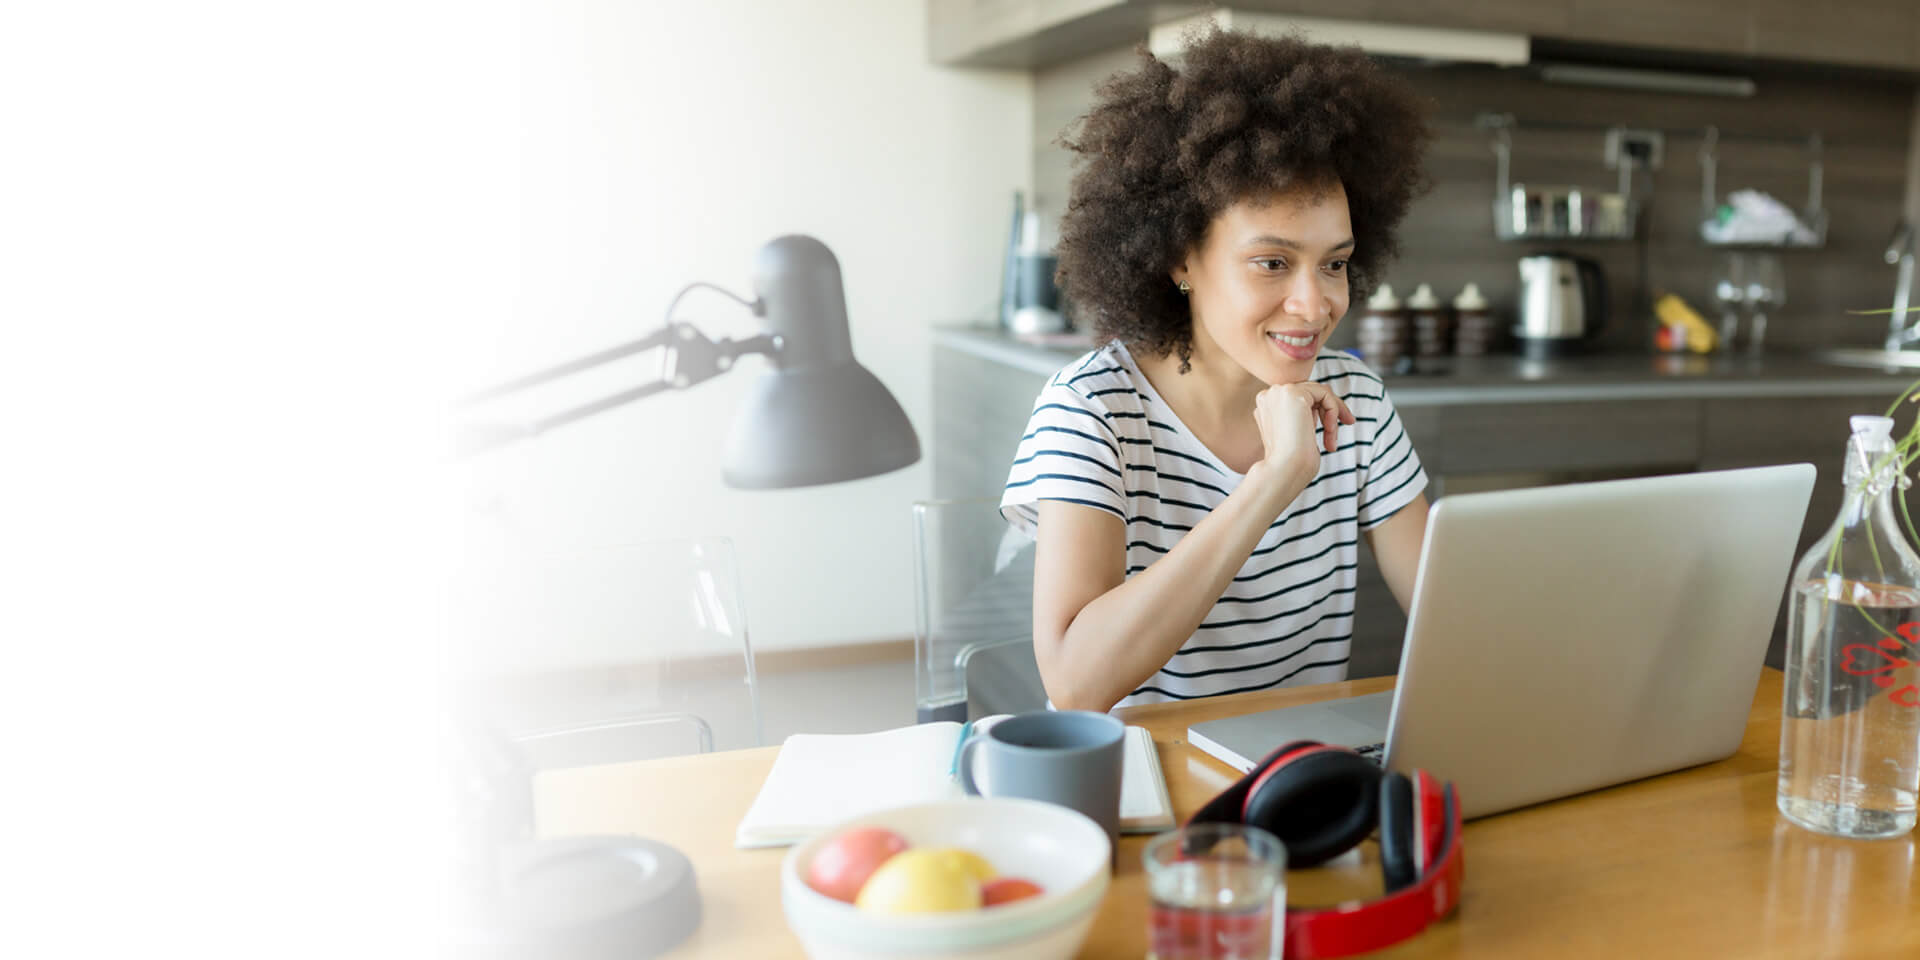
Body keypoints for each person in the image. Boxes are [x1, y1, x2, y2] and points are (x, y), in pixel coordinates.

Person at [1000, 28, 1435, 712]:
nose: (1315, 302)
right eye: (1272, 263)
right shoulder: (1092, 409)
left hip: (1299, 779)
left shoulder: (1358, 402)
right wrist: (1272, 482)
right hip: (1149, 780)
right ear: (1179, 258)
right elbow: (1075, 682)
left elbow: (1447, 611)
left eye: (1335, 263)